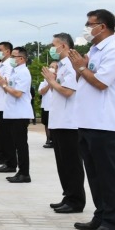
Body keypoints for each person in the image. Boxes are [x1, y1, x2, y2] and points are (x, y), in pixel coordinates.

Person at [69, 9, 115, 230]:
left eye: (89, 24)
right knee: (93, 174)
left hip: (104, 122)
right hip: (87, 120)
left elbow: (101, 83)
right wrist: (80, 68)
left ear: (102, 26)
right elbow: (81, 77)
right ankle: (101, 215)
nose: (87, 28)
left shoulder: (113, 50)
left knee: (108, 175)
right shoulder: (94, 49)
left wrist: (81, 68)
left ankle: (113, 223)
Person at [42, 33, 86, 215]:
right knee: (62, 163)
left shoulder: (69, 65)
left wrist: (51, 81)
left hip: (69, 123)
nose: (52, 48)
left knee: (71, 164)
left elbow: (68, 91)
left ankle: (76, 200)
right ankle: (68, 196)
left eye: (54, 45)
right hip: (59, 121)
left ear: (65, 47)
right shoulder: (61, 65)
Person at [0, 46, 32, 183]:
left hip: (20, 114)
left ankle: (24, 173)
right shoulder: (15, 71)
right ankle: (19, 171)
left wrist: (4, 85)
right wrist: (4, 84)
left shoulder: (23, 72)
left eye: (13, 57)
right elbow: (9, 91)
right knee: (15, 144)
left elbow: (17, 93)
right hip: (12, 113)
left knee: (21, 145)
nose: (11, 59)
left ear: (21, 59)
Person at [38, 61, 58, 148]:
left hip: (55, 107)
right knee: (46, 123)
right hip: (46, 106)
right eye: (50, 66)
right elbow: (41, 92)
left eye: (53, 67)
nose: (51, 68)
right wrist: (50, 83)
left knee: (54, 123)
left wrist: (53, 82)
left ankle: (55, 140)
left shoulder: (59, 79)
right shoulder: (44, 82)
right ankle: (48, 139)